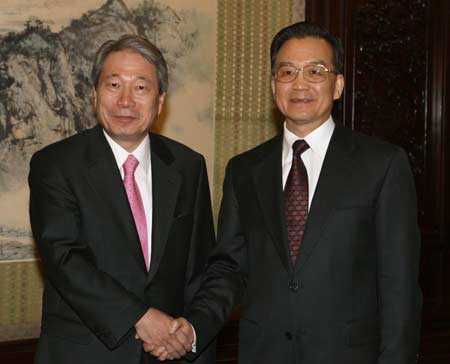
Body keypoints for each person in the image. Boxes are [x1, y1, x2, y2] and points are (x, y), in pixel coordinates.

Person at [167, 21, 422, 364]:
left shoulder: (383, 164)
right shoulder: (244, 169)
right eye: (287, 72)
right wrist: (194, 326)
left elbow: (399, 285)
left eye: (315, 71)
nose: (299, 83)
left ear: (338, 85)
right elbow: (228, 267)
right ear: (274, 86)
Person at [29, 34, 215, 364]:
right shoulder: (56, 165)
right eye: (113, 85)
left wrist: (192, 329)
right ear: (94, 94)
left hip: (167, 354)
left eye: (141, 87)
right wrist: (140, 318)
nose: (125, 100)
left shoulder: (188, 166)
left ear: (160, 101)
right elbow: (63, 258)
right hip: (85, 354)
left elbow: (199, 268)